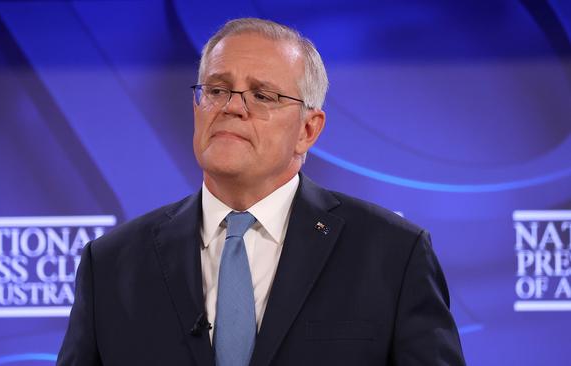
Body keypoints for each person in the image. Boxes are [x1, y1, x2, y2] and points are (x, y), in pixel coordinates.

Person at [58, 17, 466, 366]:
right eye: (216, 90)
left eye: (262, 95)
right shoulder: (110, 264)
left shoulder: (392, 254)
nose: (232, 107)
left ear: (309, 129)